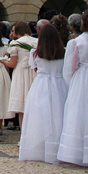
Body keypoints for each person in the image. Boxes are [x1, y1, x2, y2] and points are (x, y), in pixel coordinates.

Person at [57, 8, 88, 167]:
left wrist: (71, 84)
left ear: (83, 22)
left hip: (82, 76)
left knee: (79, 113)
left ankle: (78, 151)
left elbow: (69, 67)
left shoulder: (76, 42)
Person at [19, 24, 67, 163]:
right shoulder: (63, 51)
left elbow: (34, 68)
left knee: (39, 116)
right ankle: (57, 147)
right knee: (58, 115)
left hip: (41, 84)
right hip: (59, 84)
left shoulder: (35, 52)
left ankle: (39, 147)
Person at [4, 21, 38, 129]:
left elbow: (13, 63)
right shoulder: (36, 41)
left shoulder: (16, 43)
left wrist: (4, 62)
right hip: (34, 72)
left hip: (21, 73)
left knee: (22, 107)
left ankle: (24, 135)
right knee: (34, 105)